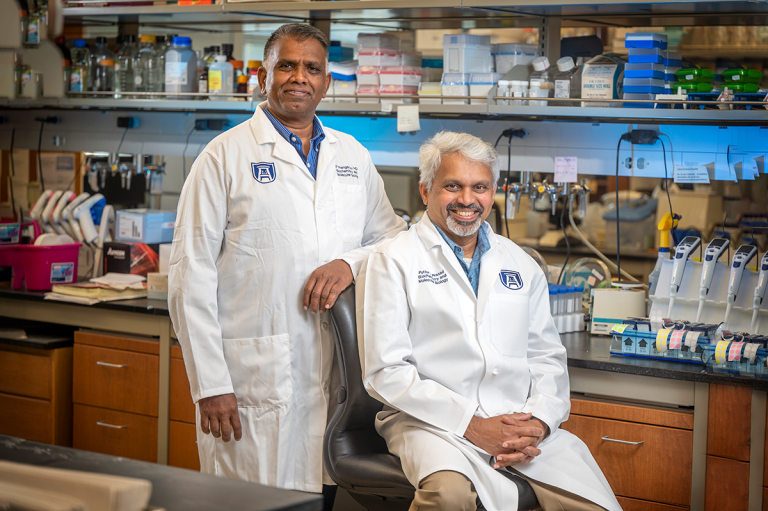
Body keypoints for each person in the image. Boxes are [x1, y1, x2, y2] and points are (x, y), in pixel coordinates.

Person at [168, 23, 406, 509]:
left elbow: (393, 239)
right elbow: (189, 276)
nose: (299, 77)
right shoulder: (223, 158)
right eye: (286, 65)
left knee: (320, 498)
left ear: (326, 82)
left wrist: (350, 263)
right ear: (263, 76)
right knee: (249, 502)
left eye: (312, 68)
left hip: (335, 384)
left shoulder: (352, 157)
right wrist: (210, 386)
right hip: (250, 383)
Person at [356, 131, 621, 511]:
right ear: (426, 191)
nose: (467, 200)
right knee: (447, 496)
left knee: (592, 505)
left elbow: (547, 358)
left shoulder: (519, 263)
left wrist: (539, 424)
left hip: (517, 425)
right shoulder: (392, 260)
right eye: (453, 186)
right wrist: (473, 425)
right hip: (431, 424)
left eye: (479, 187)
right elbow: (387, 372)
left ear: (493, 190)